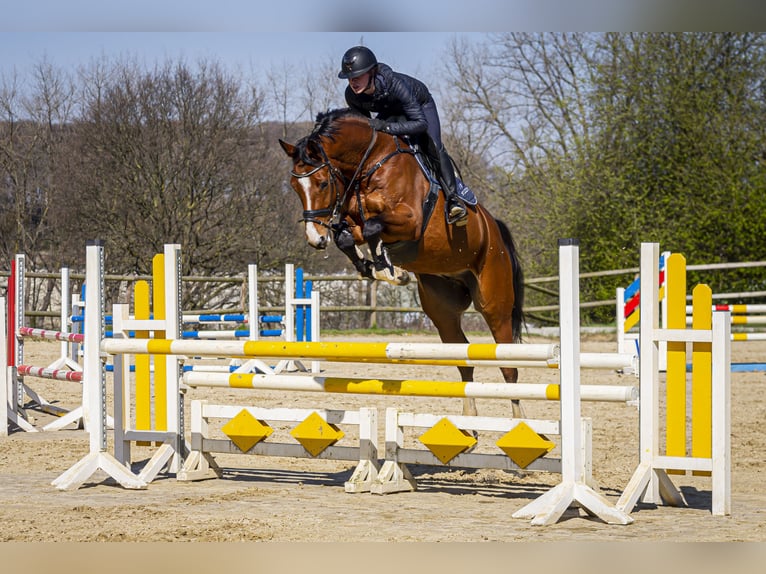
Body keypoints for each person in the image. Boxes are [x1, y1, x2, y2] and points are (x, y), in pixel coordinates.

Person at [338, 46, 468, 226]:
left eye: (358, 76)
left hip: (420, 108)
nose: (353, 82)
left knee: (435, 146)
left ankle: (453, 200)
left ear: (372, 72)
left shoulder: (395, 84)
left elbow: (420, 124)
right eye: (350, 78)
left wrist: (386, 126)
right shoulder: (352, 96)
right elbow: (366, 131)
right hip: (390, 111)